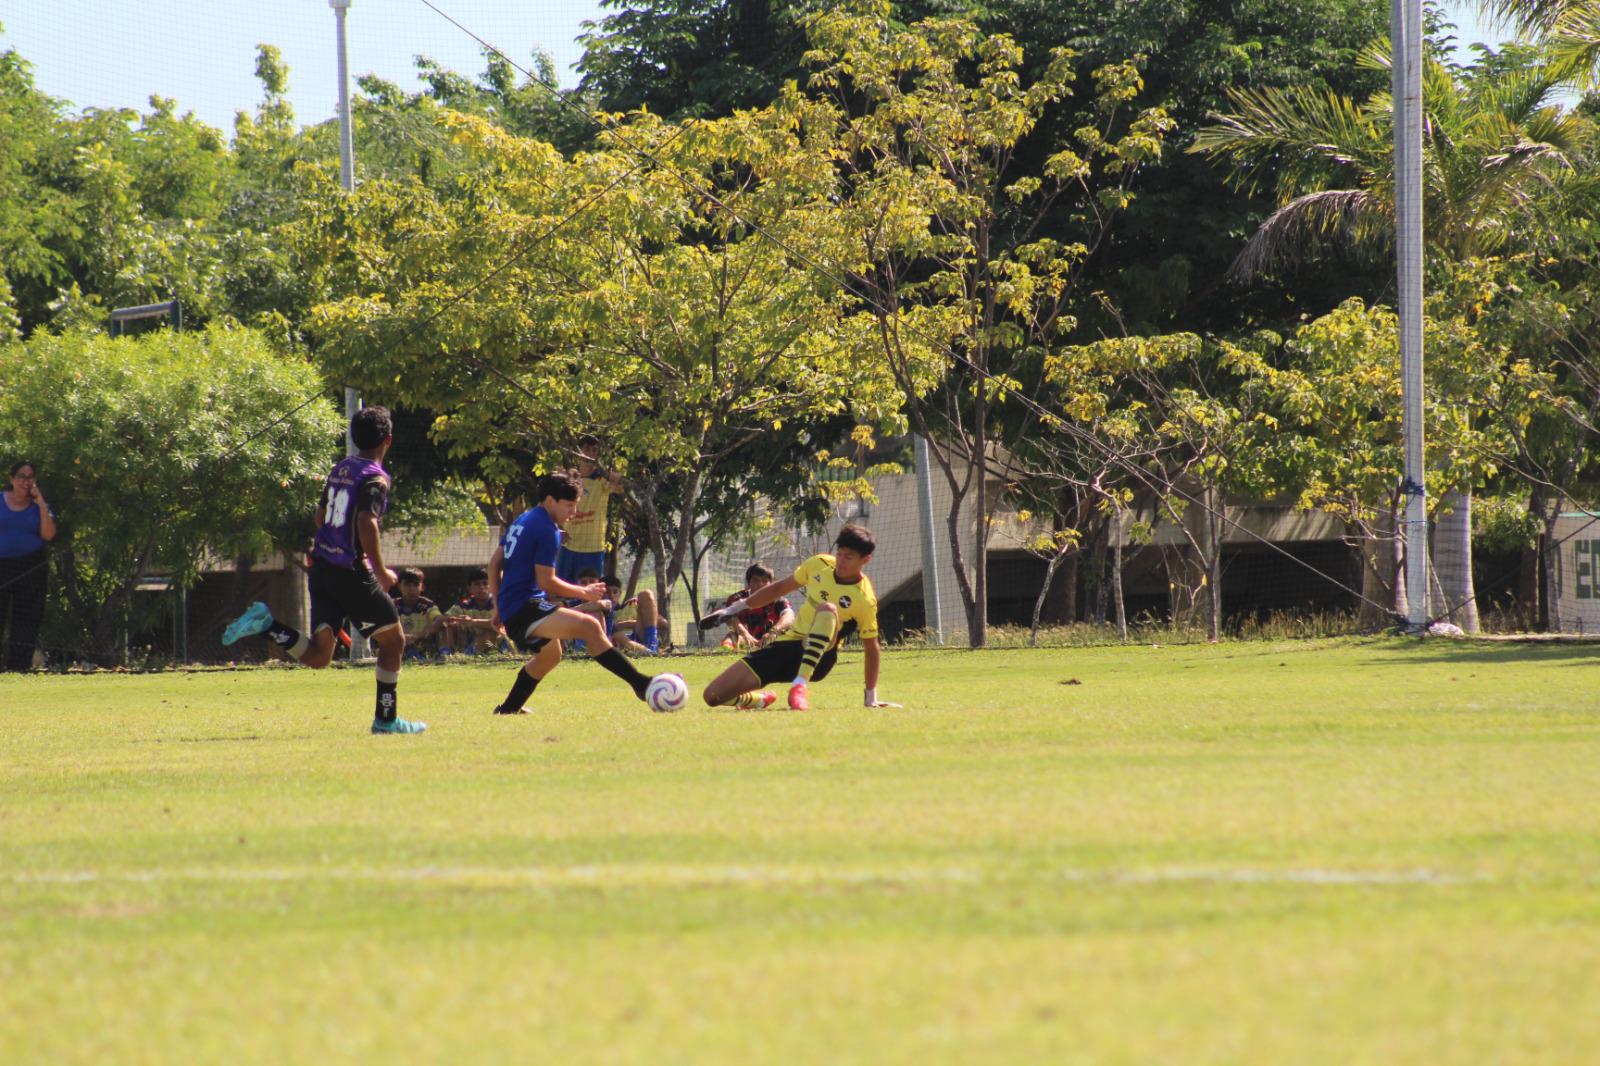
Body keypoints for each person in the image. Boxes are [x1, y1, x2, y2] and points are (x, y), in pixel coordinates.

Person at [221, 406, 426, 735]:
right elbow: (366, 521)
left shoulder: (341, 468)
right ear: (388, 440)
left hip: (323, 569)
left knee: (319, 656)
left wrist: (334, 543)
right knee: (394, 641)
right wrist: (380, 569)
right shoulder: (375, 477)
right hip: (350, 573)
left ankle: (267, 624)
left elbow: (320, 517)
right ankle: (386, 720)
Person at [487, 471, 653, 715]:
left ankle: (508, 710)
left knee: (550, 656)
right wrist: (585, 592)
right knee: (590, 626)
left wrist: (498, 606)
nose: (573, 513)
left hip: (517, 607)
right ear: (550, 500)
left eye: (575, 505)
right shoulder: (546, 528)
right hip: (524, 608)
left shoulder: (524, 519)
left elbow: (494, 564)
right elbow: (546, 581)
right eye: (569, 505)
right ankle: (641, 684)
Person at [699, 525, 896, 711]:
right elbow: (779, 588)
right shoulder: (819, 564)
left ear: (865, 560)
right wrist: (732, 609)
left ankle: (799, 686)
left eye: (849, 557)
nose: (841, 561)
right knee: (712, 695)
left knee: (827, 608)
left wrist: (871, 697)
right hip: (787, 645)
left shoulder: (864, 598)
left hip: (821, 657)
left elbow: (871, 648)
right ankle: (759, 700)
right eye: (839, 554)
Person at [0, 461, 57, 672]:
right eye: (21, 476)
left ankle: (19, 666)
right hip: (1, 564)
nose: (26, 481)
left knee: (27, 616)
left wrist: (41, 503)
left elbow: (48, 535)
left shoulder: (39, 505)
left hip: (31, 564)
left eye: (30, 477)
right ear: (12, 479)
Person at [555, 435, 622, 583]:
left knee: (589, 592)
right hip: (568, 546)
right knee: (561, 589)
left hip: (592, 549)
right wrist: (557, 528)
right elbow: (553, 504)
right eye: (586, 448)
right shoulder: (569, 477)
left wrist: (615, 477)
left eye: (594, 450)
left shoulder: (602, 479)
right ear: (578, 451)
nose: (590, 453)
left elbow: (620, 489)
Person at [719, 562, 795, 651]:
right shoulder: (737, 599)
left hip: (771, 638)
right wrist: (744, 633)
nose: (760, 584)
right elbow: (729, 617)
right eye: (755, 580)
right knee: (730, 638)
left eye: (764, 580)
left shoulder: (778, 599)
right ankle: (726, 653)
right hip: (745, 638)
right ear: (749, 583)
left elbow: (789, 616)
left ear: (771, 583)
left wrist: (774, 631)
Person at [440, 567, 503, 656]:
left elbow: (500, 624)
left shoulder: (498, 602)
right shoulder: (464, 604)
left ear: (491, 586)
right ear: (469, 588)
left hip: (495, 643)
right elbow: (444, 618)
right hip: (468, 640)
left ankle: (468, 655)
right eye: (477, 584)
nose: (481, 587)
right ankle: (446, 654)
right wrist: (455, 621)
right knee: (447, 626)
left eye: (485, 583)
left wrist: (473, 622)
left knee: (491, 633)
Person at [391, 567, 445, 661]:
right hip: (397, 645)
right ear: (399, 587)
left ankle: (444, 655)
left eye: (416, 584)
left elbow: (440, 619)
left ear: (422, 587)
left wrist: (417, 636)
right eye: (407, 584)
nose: (411, 589)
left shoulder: (427, 605)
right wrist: (401, 637)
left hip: (422, 644)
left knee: (445, 626)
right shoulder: (392, 605)